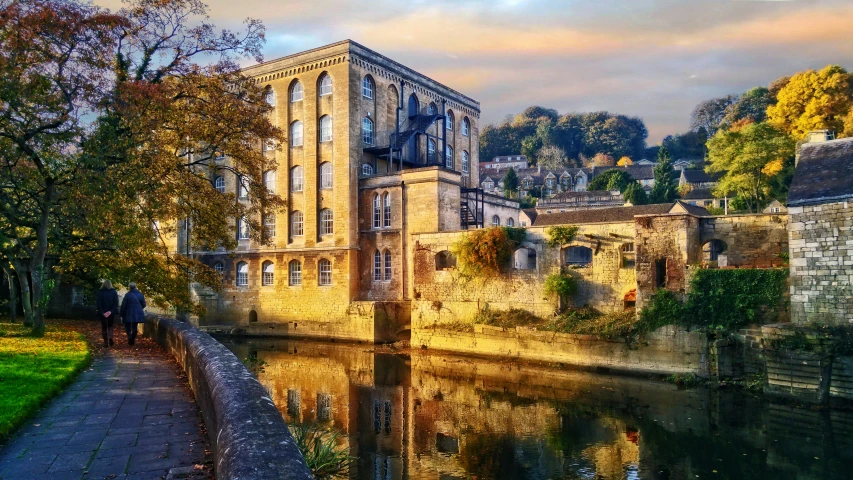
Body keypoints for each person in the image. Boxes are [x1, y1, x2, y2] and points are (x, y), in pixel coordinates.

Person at [96, 280, 119, 348]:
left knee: (104, 327)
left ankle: (105, 342)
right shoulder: (113, 292)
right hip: (111, 313)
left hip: (103, 313)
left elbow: (98, 303)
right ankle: (110, 337)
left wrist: (102, 312)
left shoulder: (100, 292)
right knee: (110, 326)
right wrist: (111, 311)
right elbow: (116, 303)